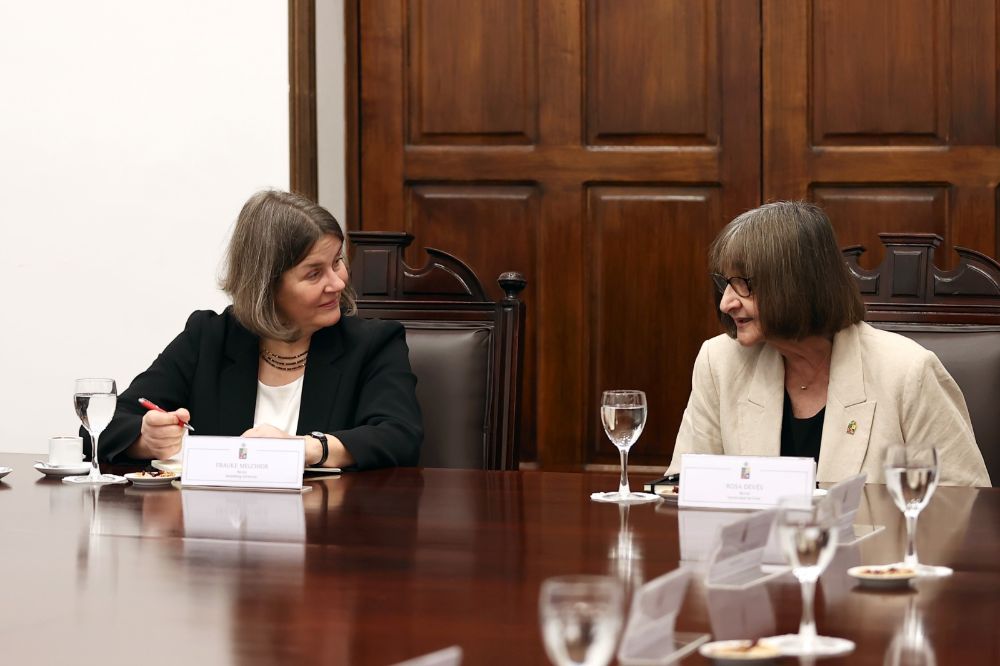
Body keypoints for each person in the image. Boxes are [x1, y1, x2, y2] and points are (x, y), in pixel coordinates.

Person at [664, 201, 990, 486]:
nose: (726, 303)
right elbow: (682, 488)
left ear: (798, 285)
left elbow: (962, 504)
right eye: (724, 284)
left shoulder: (908, 372)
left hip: (873, 556)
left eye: (743, 284)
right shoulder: (719, 360)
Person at [92, 190, 423, 470]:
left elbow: (399, 435)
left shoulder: (374, 344)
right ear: (267, 286)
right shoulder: (208, 337)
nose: (337, 282)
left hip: (327, 531)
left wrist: (306, 448)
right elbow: (105, 425)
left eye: (337, 262)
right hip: (219, 534)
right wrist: (146, 438)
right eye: (314, 274)